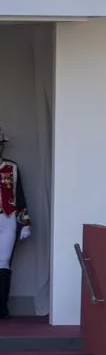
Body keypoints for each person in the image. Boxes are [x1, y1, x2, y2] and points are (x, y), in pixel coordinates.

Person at [0, 128, 31, 319]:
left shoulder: (12, 168)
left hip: (7, 217)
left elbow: (19, 195)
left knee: (3, 263)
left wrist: (25, 221)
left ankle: (2, 307)